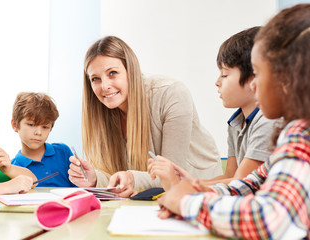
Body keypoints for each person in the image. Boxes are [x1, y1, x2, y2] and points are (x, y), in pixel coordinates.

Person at [156, 4, 310, 239]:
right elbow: (249, 184)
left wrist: (190, 203)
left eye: (258, 73)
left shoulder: (303, 136)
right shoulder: (291, 132)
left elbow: (270, 220)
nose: (254, 84)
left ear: (287, 78)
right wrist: (195, 193)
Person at [68, 35, 222, 197]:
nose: (105, 86)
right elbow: (121, 176)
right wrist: (94, 179)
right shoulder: (104, 111)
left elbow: (171, 174)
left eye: (112, 73)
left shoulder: (172, 93)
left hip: (200, 193)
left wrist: (131, 178)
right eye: (95, 79)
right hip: (151, 196)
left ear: (130, 71)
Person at [148, 27, 281, 191]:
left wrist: (183, 185)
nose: (217, 82)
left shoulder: (268, 121)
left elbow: (241, 183)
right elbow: (229, 177)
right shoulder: (236, 123)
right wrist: (188, 182)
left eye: (224, 75)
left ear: (253, 77)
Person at [11, 92, 76, 187]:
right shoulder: (13, 167)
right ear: (15, 125)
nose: (38, 132)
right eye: (31, 125)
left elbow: (80, 189)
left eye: (45, 127)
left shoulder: (63, 152)